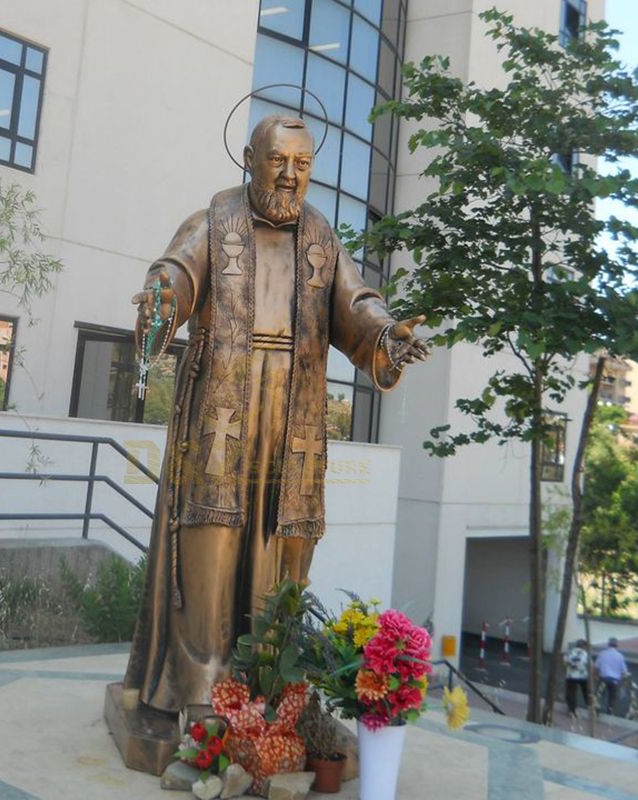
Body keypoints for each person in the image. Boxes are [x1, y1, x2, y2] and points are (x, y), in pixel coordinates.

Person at [123, 114, 429, 717]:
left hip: (293, 410)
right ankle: (202, 682)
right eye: (277, 160)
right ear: (248, 156)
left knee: (276, 541)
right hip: (224, 403)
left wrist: (387, 336)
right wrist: (163, 296)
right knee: (213, 537)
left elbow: (355, 306)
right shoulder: (213, 221)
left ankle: (264, 681)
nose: (290, 176)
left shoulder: (320, 235)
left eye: (302, 164)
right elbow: (177, 276)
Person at [594, 637, 629, 715]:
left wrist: (595, 677)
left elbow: (596, 667)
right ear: (616, 645)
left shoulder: (602, 653)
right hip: (614, 681)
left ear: (608, 644)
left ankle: (597, 710)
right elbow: (624, 672)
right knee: (612, 698)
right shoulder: (620, 656)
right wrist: (624, 684)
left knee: (598, 695)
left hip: (603, 678)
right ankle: (609, 711)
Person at [563, 639, 589, 716]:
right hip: (583, 675)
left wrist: (566, 672)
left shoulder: (569, 652)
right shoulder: (585, 653)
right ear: (584, 646)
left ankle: (572, 711)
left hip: (571, 675)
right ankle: (591, 707)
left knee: (571, 693)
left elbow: (564, 663)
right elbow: (590, 665)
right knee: (586, 692)